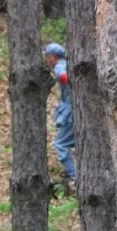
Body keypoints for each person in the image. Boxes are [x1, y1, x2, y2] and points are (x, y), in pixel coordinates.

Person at [44, 43, 76, 183]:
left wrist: (66, 80)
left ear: (53, 57)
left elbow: (64, 76)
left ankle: (75, 176)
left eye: (48, 56)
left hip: (71, 112)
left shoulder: (59, 66)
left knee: (60, 144)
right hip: (75, 110)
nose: (47, 60)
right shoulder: (69, 63)